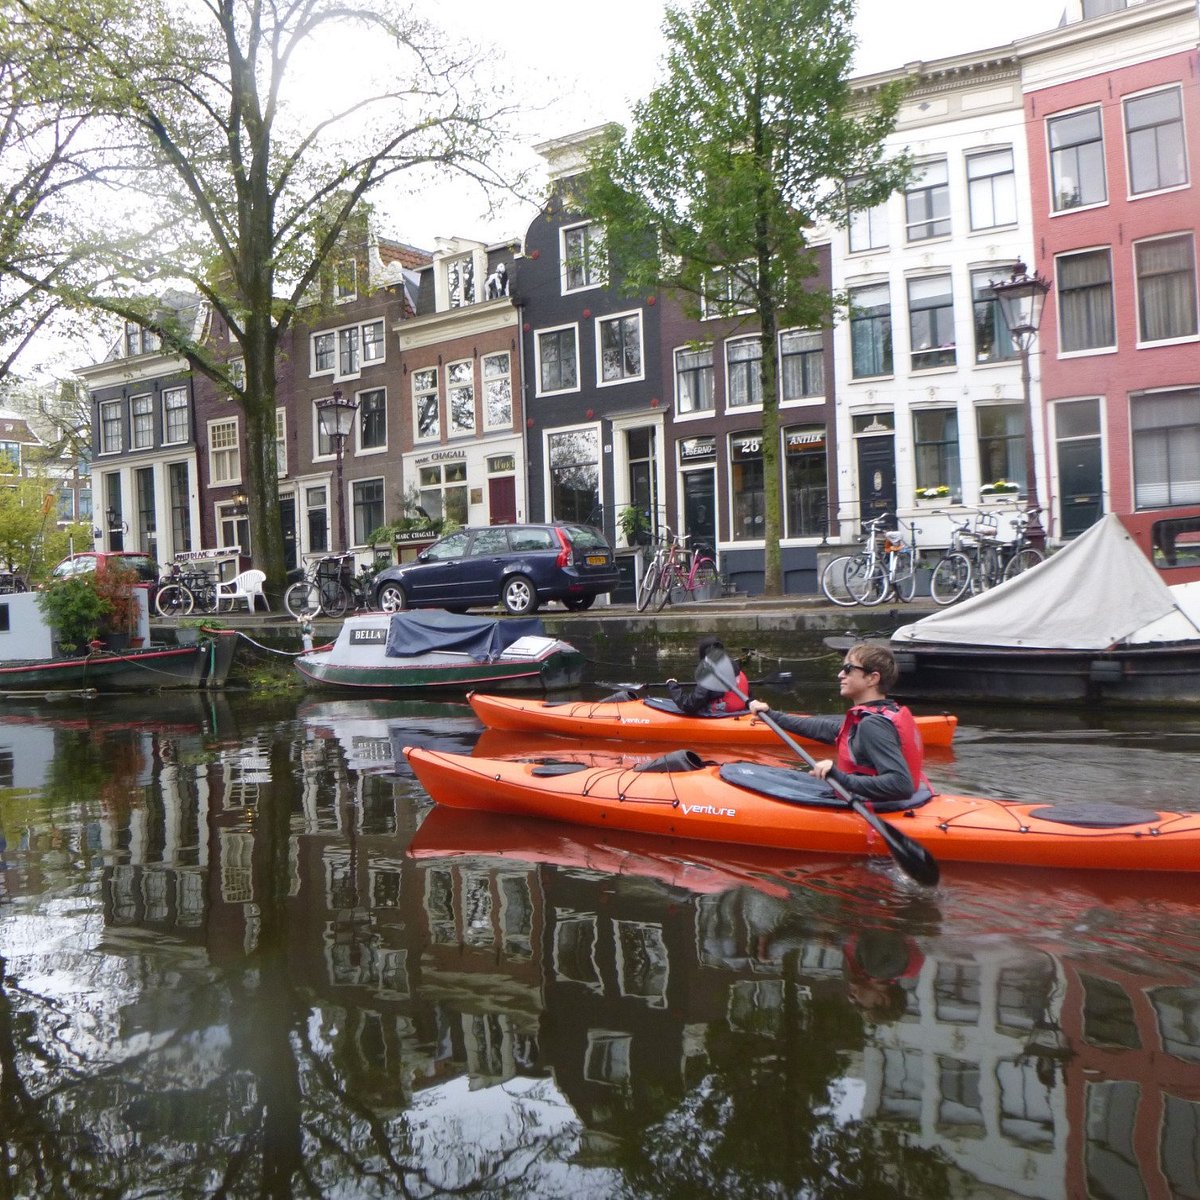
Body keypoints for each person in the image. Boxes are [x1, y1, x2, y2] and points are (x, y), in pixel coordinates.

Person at [748, 642, 929, 804]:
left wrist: (839, 777)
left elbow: (900, 785)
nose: (840, 674)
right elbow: (825, 728)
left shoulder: (872, 725)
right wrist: (772, 715)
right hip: (878, 800)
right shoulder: (882, 713)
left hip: (875, 807)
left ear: (873, 678)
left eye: (849, 669)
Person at [666, 637, 749, 715]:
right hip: (741, 713)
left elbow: (689, 705)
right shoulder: (738, 671)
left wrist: (672, 685)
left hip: (722, 716)